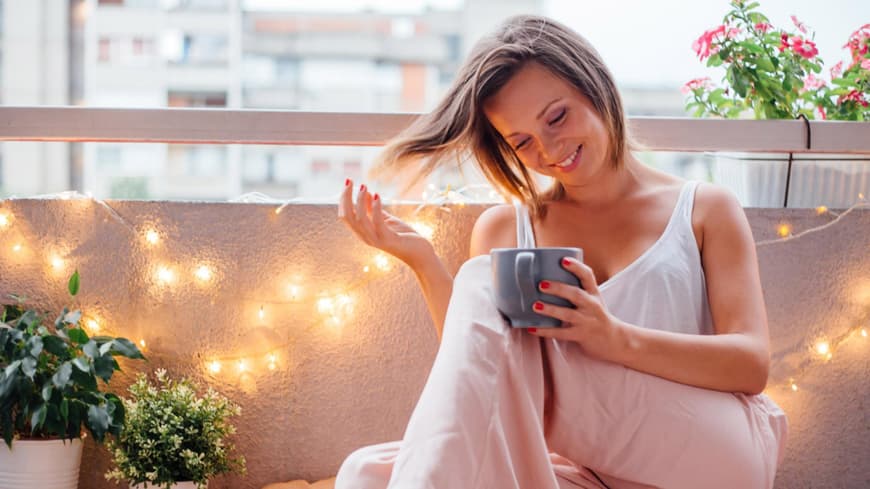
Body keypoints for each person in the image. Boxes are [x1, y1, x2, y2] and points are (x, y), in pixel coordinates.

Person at [335, 15, 787, 489]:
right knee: (366, 474)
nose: (549, 149)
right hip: (586, 472)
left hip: (712, 454)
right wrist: (424, 262)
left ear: (594, 85)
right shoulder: (506, 229)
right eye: (522, 142)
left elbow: (751, 364)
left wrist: (614, 338)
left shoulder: (704, 209)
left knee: (484, 281)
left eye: (556, 117)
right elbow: (479, 374)